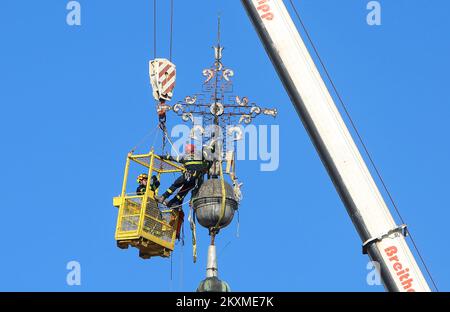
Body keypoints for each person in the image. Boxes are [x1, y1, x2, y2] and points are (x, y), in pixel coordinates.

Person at [155, 143, 215, 208]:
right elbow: (208, 157)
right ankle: (173, 203)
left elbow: (171, 157)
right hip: (195, 180)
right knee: (183, 191)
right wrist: (212, 147)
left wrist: (161, 156)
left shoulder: (185, 157)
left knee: (175, 185)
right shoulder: (201, 157)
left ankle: (163, 197)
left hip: (187, 176)